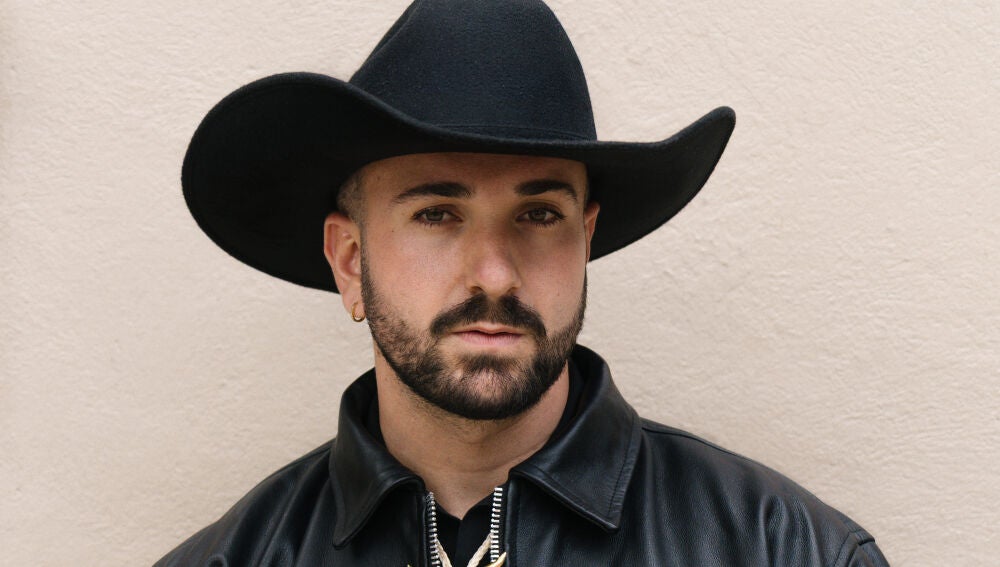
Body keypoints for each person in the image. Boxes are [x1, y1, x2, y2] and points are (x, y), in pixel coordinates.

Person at [158, 1, 888, 565]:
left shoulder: (782, 549)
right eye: (437, 214)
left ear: (584, 240)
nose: (495, 274)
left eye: (539, 215)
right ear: (350, 260)